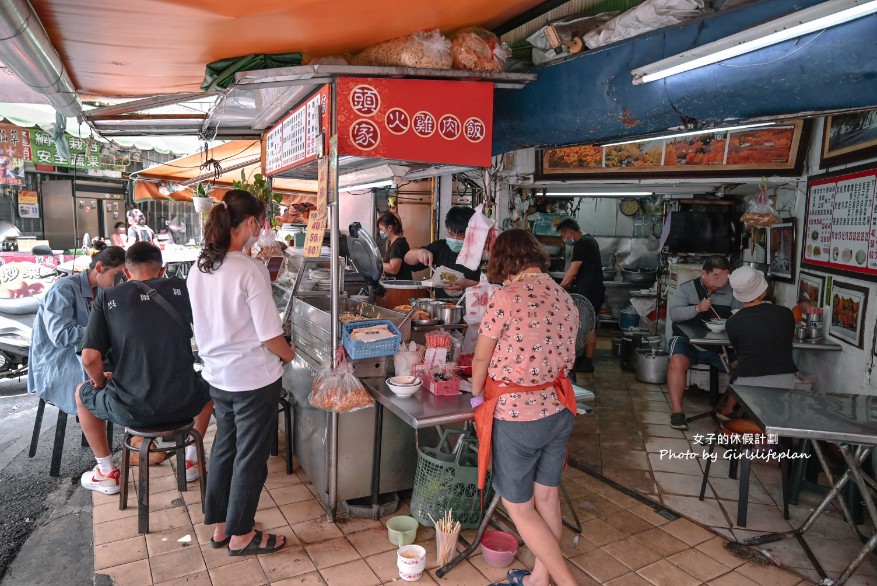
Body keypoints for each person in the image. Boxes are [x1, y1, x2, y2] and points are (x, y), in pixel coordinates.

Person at [187, 190, 295, 556]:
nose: (261, 228)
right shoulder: (249, 269)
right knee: (250, 457)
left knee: (225, 448)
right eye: (260, 221)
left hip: (218, 377)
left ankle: (222, 527)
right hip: (253, 380)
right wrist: (289, 355)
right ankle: (242, 534)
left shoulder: (199, 266)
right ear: (250, 223)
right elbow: (270, 336)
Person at [471, 229, 579, 586]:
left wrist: (475, 397)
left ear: (503, 261)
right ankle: (539, 579)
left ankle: (566, 582)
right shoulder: (565, 296)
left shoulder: (507, 296)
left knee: (519, 506)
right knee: (546, 498)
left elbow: (481, 357)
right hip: (559, 410)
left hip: (519, 416)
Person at [75, 242, 214, 494]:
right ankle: (191, 458)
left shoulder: (107, 297)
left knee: (81, 395)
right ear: (162, 271)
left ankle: (107, 472)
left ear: (125, 274)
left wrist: (99, 381)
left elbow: (89, 359)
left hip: (132, 410)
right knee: (210, 384)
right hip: (185, 403)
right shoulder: (184, 289)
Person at [27, 245, 126, 417]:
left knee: (135, 369)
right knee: (100, 386)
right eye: (116, 275)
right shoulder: (64, 289)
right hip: (61, 362)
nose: (118, 281)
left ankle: (136, 431)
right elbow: (61, 335)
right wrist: (101, 332)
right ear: (99, 268)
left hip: (86, 357)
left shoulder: (103, 291)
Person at [666, 255, 742, 430]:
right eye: (716, 276)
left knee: (746, 365)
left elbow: (741, 315)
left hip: (722, 345)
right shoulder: (687, 289)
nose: (721, 281)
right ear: (704, 273)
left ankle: (727, 410)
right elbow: (675, 314)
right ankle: (677, 412)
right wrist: (697, 309)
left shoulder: (733, 292)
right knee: (677, 361)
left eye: (725, 276)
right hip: (688, 342)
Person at [719, 266, 797, 418]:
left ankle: (728, 411)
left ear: (738, 296)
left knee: (739, 368)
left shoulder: (733, 322)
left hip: (748, 382)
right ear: (763, 292)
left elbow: (740, 352)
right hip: (785, 380)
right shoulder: (786, 314)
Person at [556, 218, 605, 373]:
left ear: (570, 231)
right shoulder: (590, 240)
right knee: (588, 325)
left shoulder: (582, 243)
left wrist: (558, 289)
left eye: (564, 235)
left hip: (589, 291)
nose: (564, 239)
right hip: (594, 290)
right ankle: (586, 359)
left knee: (586, 326)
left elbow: (573, 270)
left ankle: (587, 362)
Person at [404, 206, 481, 297]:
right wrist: (418, 253)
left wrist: (470, 284)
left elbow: (495, 286)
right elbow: (407, 259)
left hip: (473, 307)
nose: (455, 239)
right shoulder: (441, 247)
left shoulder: (482, 253)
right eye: (451, 234)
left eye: (461, 236)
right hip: (442, 307)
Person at [377, 211, 412, 280]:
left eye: (381, 229)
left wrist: (376, 264)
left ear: (389, 228)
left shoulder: (397, 244)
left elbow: (393, 269)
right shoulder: (393, 243)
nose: (380, 232)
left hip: (400, 288)